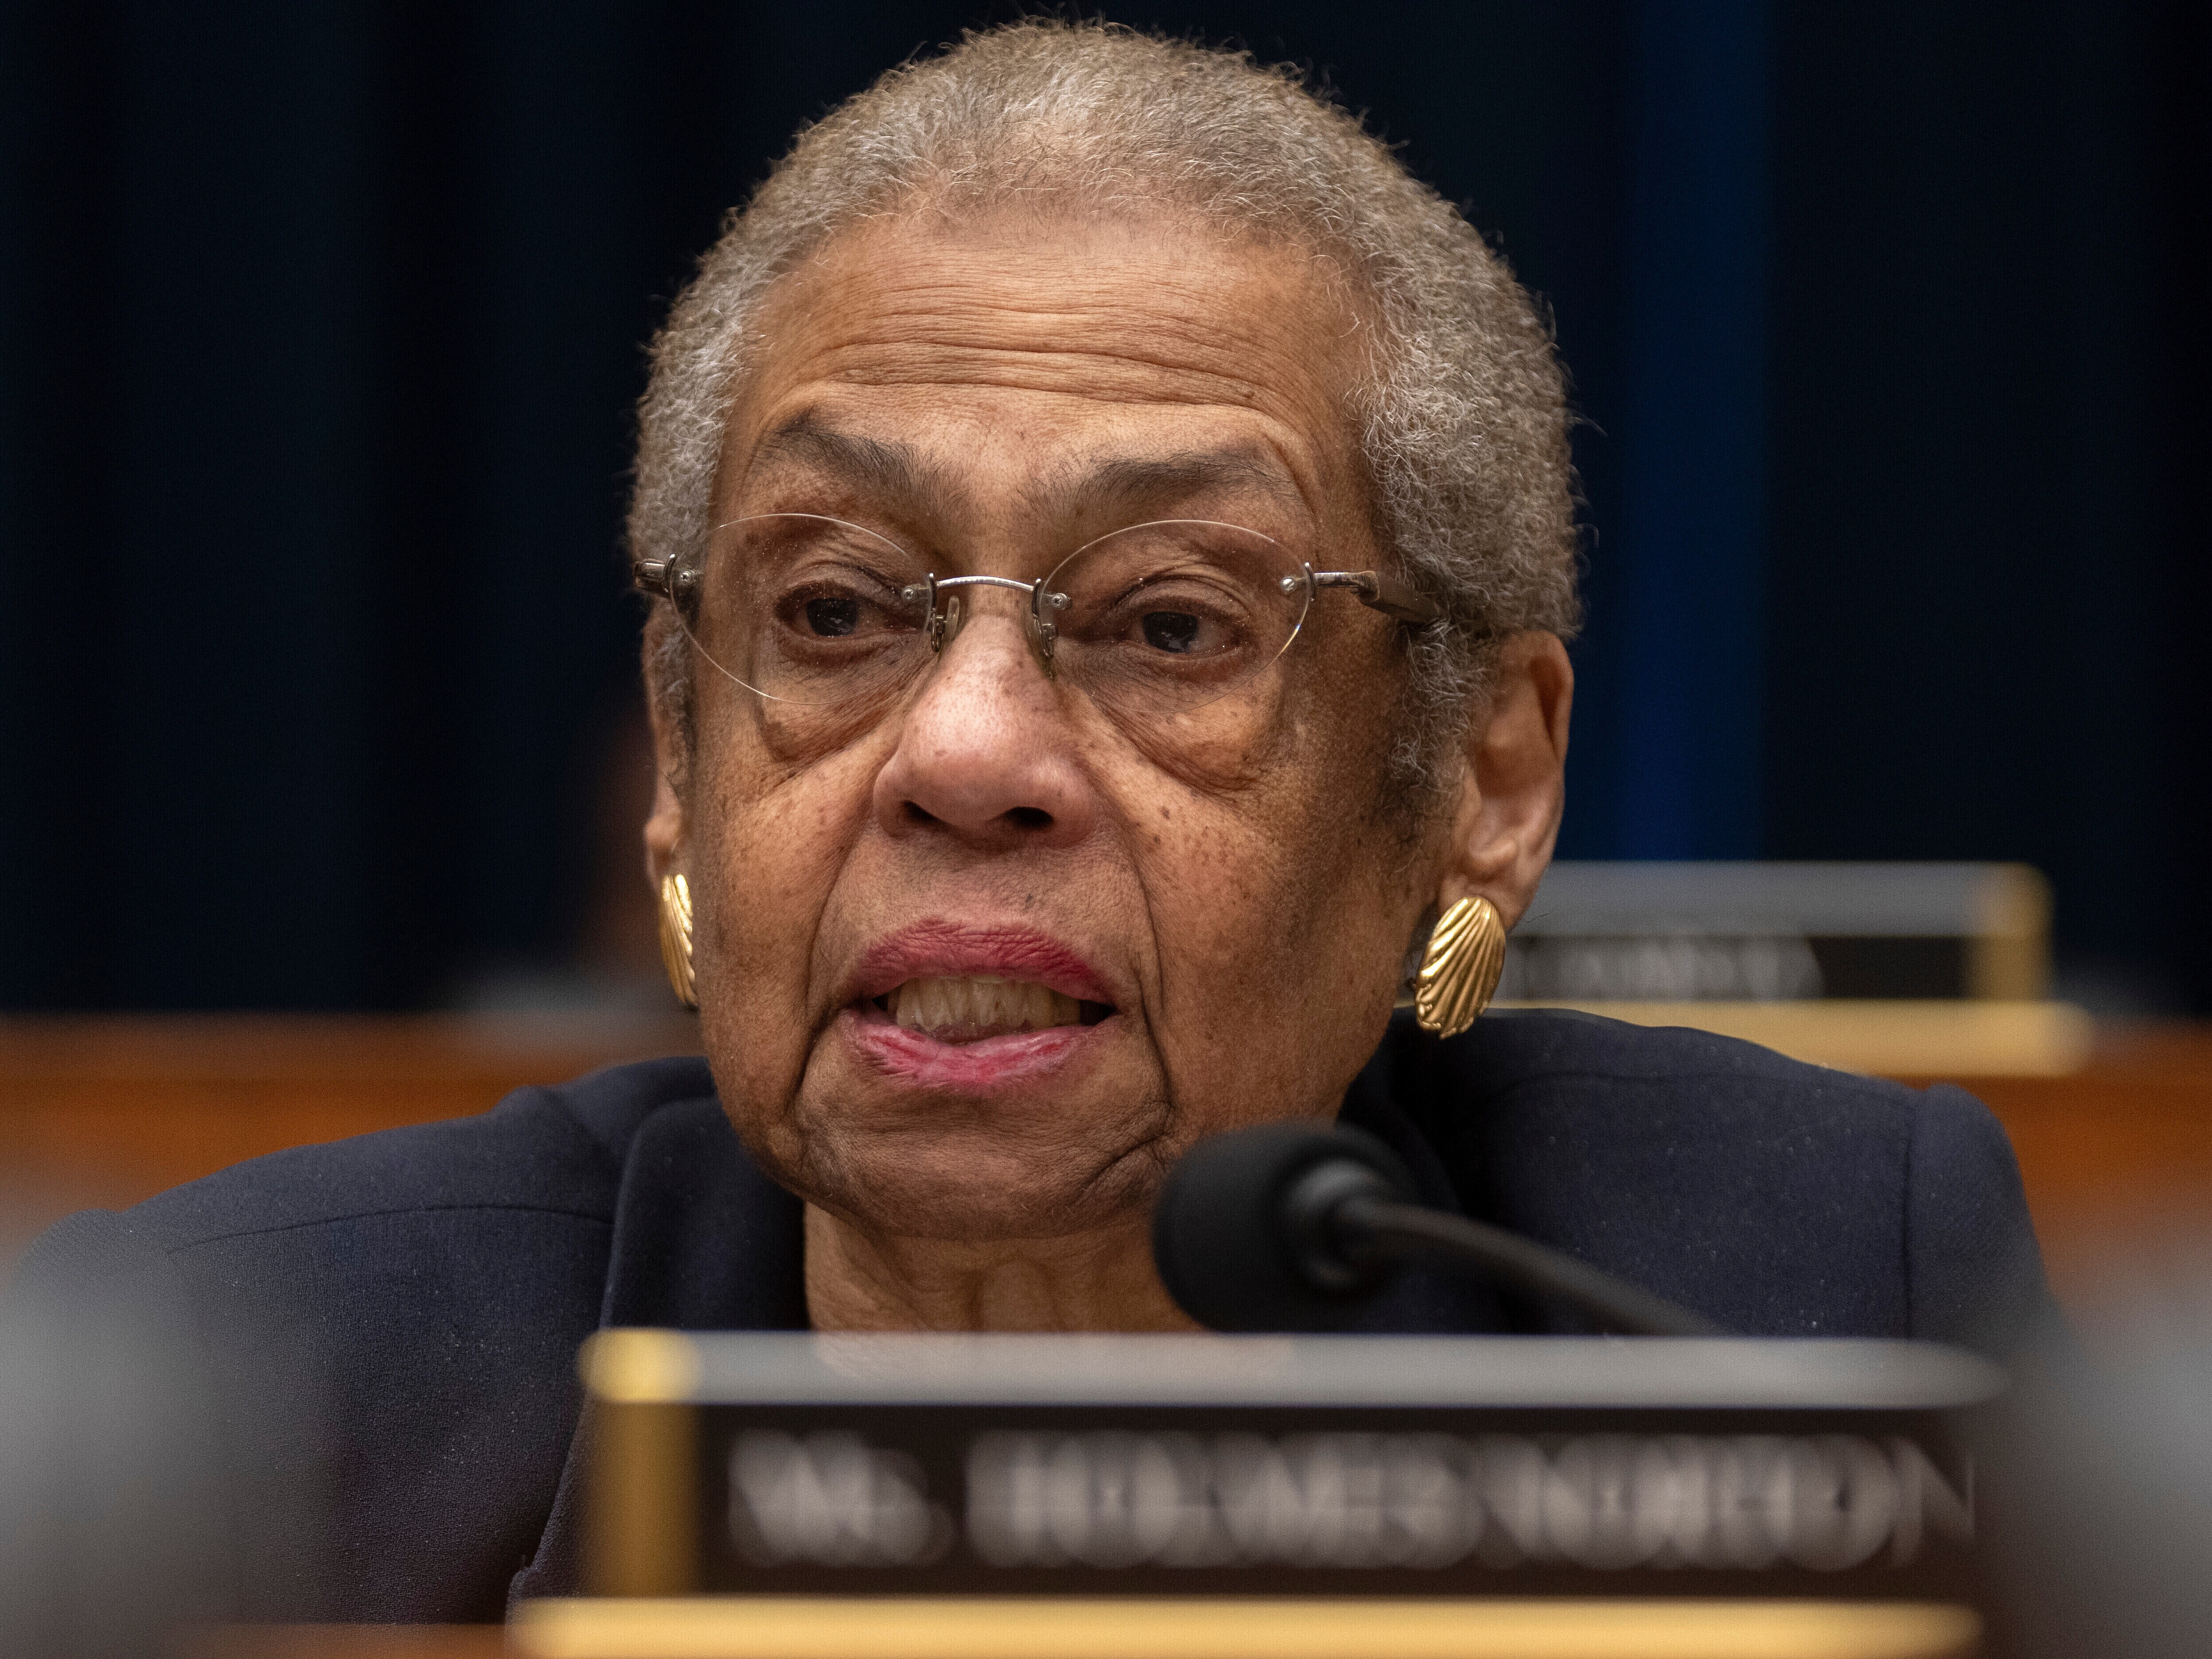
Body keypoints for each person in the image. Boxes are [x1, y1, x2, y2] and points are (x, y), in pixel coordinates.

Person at [4, 20, 2049, 1624]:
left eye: (1171, 623)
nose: (965, 751)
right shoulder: (253, 1397)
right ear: (678, 739)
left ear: (1485, 781)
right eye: (832, 613)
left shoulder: (1791, 1291)